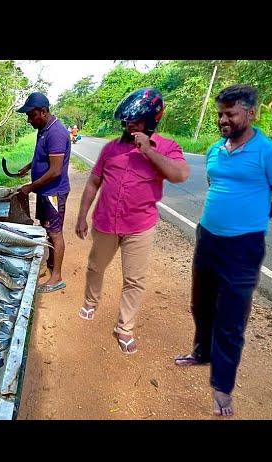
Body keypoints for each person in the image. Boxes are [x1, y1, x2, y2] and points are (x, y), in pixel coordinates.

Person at [174, 84, 272, 416]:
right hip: (208, 237)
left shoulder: (271, 153)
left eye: (230, 114)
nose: (222, 120)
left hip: (243, 246)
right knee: (200, 304)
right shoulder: (215, 150)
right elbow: (217, 185)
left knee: (230, 320)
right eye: (219, 114)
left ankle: (222, 388)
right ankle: (201, 352)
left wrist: (254, 216)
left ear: (250, 113)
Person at [75, 87, 189, 354]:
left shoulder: (167, 147)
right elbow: (93, 182)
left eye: (135, 121)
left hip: (139, 226)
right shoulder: (110, 149)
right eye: (126, 121)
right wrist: (82, 215)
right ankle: (91, 301)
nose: (129, 126)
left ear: (152, 120)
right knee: (95, 266)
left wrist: (149, 151)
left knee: (134, 280)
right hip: (105, 221)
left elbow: (180, 175)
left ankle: (124, 327)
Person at [16, 92, 71, 293]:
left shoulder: (56, 132)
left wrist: (30, 187)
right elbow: (43, 157)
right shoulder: (43, 129)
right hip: (44, 191)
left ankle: (57, 277)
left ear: (44, 111)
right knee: (46, 229)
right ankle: (50, 265)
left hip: (53, 193)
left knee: (55, 233)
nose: (29, 120)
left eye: (31, 115)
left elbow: (56, 170)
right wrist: (28, 167)